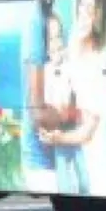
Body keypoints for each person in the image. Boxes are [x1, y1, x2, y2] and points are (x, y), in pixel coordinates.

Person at [38, 0, 106, 196]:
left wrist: (58, 137)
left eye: (92, 7)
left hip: (95, 163)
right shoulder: (71, 46)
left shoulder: (102, 58)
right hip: (74, 146)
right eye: (82, 5)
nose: (85, 14)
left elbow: (88, 131)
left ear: (102, 13)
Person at [21, 0, 65, 194]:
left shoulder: (54, 16)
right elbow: (38, 113)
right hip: (39, 154)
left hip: (57, 149)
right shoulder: (36, 20)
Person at [43, 12, 87, 193]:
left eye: (59, 37)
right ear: (46, 48)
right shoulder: (46, 71)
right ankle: (67, 192)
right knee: (62, 163)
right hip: (58, 125)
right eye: (51, 40)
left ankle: (86, 191)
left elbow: (77, 88)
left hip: (73, 123)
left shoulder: (70, 67)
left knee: (81, 164)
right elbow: (47, 98)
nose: (57, 44)